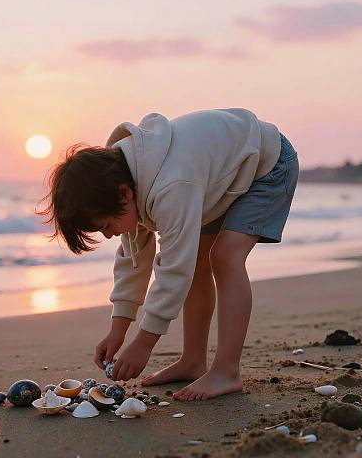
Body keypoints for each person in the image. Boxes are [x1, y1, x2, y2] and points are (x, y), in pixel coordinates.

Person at [39, 108, 299, 400]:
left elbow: (175, 268)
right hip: (219, 178)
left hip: (266, 164)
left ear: (124, 194)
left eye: (106, 225)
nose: (110, 234)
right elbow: (133, 263)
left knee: (225, 257)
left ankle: (227, 371)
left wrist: (144, 342)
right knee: (199, 262)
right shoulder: (125, 178)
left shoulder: (170, 187)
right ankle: (193, 361)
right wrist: (118, 329)